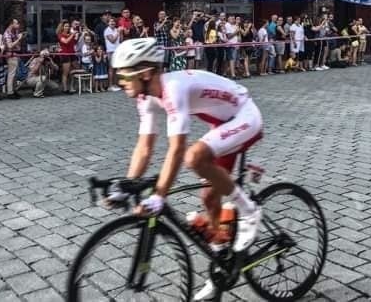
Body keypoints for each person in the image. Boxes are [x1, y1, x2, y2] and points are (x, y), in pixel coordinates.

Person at [107, 38, 263, 301]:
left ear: (144, 73)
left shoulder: (173, 88)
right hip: (223, 123)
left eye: (123, 74)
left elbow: (177, 149)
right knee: (208, 198)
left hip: (245, 116)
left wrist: (159, 196)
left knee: (194, 156)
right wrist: (127, 185)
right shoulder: (146, 97)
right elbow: (145, 148)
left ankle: (249, 211)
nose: (119, 80)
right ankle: (221, 265)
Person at [4, 18, 26, 99]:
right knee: (11, 73)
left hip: (16, 54)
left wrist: (20, 37)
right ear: (11, 24)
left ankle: (14, 90)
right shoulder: (7, 33)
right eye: (16, 23)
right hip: (11, 55)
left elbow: (17, 45)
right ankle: (10, 92)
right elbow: (9, 46)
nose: (18, 25)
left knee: (15, 74)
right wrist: (19, 39)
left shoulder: (14, 32)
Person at [57, 20, 78, 94]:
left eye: (68, 26)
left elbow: (74, 42)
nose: (67, 27)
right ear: (62, 27)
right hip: (65, 54)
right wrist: (72, 35)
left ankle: (72, 87)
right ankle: (65, 88)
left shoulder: (70, 34)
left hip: (72, 53)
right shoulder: (60, 35)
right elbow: (65, 41)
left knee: (73, 71)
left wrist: (77, 35)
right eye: (66, 26)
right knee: (66, 72)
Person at [103, 17, 122, 91]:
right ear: (108, 23)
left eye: (114, 21)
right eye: (111, 22)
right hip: (111, 51)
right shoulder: (107, 30)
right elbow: (112, 40)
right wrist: (118, 32)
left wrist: (120, 32)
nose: (113, 23)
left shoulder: (116, 30)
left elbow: (120, 40)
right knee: (111, 68)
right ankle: (110, 86)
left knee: (116, 68)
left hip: (117, 50)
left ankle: (115, 84)